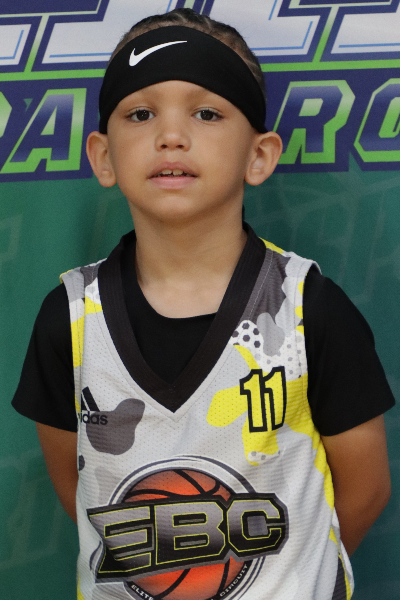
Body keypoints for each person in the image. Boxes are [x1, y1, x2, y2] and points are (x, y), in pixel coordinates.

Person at [12, 8, 394, 600]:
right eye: (141, 114)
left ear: (259, 156)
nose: (171, 135)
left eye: (207, 113)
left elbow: (366, 489)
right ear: (104, 156)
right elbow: (80, 488)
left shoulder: (308, 308)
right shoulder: (69, 317)